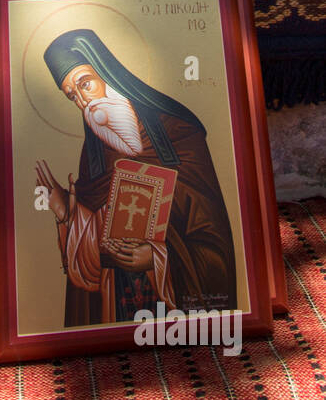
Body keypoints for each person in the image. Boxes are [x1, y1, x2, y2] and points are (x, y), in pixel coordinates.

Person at [35, 28, 236, 326]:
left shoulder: (179, 134)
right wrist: (69, 215)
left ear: (108, 74)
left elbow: (212, 239)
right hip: (115, 298)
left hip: (176, 311)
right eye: (72, 96)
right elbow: (96, 240)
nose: (85, 103)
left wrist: (158, 259)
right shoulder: (95, 154)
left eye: (86, 84)